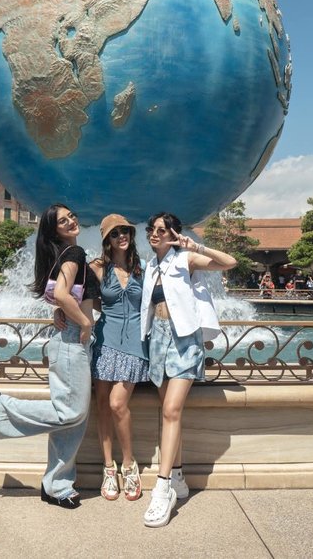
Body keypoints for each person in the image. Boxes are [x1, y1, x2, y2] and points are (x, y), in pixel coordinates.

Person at [0, 203, 100, 509]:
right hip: (72, 341)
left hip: (71, 340)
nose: (71, 221)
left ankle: (56, 485)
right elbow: (65, 295)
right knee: (70, 413)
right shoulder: (74, 254)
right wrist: (83, 323)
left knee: (72, 422)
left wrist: (63, 311)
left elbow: (60, 296)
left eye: (71, 216)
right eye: (62, 221)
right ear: (54, 230)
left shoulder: (65, 255)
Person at [140, 212, 236, 528]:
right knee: (170, 413)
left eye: (161, 230)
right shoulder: (151, 266)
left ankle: (163, 487)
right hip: (158, 340)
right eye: (152, 229)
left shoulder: (185, 260)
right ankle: (179, 476)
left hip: (183, 340)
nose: (155, 233)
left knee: (170, 411)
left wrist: (199, 247)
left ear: (174, 234)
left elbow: (229, 262)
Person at [87, 214, 148, 502]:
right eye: (115, 233)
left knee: (116, 403)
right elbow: (82, 299)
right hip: (104, 342)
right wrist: (62, 312)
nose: (121, 236)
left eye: (125, 231)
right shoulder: (97, 268)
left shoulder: (142, 268)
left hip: (134, 345)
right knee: (102, 406)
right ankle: (109, 468)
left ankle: (130, 464)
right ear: (106, 241)